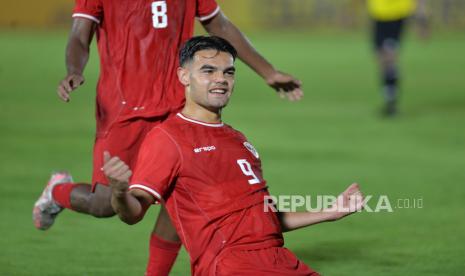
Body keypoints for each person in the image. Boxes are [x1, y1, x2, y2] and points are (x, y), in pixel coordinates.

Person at [32, 0, 304, 275]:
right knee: (104, 204)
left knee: (183, 191)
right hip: (124, 110)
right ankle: (58, 191)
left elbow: (219, 24)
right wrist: (74, 71)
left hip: (178, 106)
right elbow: (79, 34)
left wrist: (267, 71)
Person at [104, 35, 364, 275]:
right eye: (208, 71)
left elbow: (266, 219)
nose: (221, 79)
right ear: (184, 76)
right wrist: (119, 192)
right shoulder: (168, 138)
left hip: (278, 259)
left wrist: (330, 212)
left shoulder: (238, 140)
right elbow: (133, 213)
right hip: (231, 265)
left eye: (228, 72)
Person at [367, 0, 429, 116]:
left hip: (397, 14)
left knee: (389, 55)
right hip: (377, 13)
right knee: (381, 58)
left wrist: (421, 18)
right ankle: (389, 99)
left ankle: (391, 103)